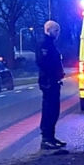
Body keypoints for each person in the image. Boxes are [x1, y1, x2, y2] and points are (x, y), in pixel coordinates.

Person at [36, 20, 66, 150]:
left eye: (58, 31)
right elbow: (42, 62)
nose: (57, 33)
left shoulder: (51, 44)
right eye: (55, 31)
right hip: (48, 81)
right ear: (48, 30)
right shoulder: (44, 44)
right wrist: (54, 74)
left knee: (54, 110)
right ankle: (46, 138)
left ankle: (51, 137)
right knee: (49, 110)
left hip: (53, 81)